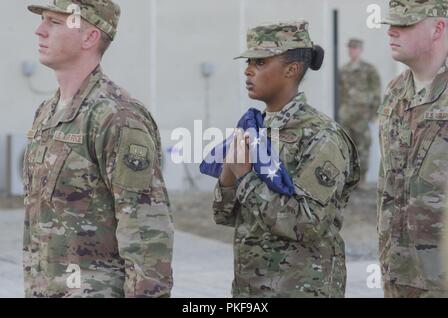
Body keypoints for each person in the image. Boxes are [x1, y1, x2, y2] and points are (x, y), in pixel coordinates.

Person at [23, 0, 174, 297]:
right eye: (43, 20)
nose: (39, 31)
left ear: (89, 37)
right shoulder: (47, 112)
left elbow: (146, 233)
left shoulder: (116, 117)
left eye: (54, 23)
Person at [211, 21, 360, 298]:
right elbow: (224, 214)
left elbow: (308, 223)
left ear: (291, 70)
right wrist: (228, 176)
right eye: (248, 62)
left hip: (302, 289)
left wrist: (245, 177)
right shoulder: (255, 129)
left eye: (260, 62)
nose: (248, 70)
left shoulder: (322, 136)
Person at [378, 0, 448, 297]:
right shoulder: (395, 91)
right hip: (397, 270)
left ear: (438, 28)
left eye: (405, 24)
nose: (392, 31)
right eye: (391, 24)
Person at [339, 38, 381, 186]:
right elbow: (340, 93)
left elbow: (376, 92)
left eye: (355, 48)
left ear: (360, 50)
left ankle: (361, 179)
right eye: (350, 48)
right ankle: (349, 179)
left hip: (362, 115)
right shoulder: (343, 70)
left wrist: (374, 113)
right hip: (346, 115)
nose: (352, 51)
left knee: (363, 146)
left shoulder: (369, 69)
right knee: (346, 147)